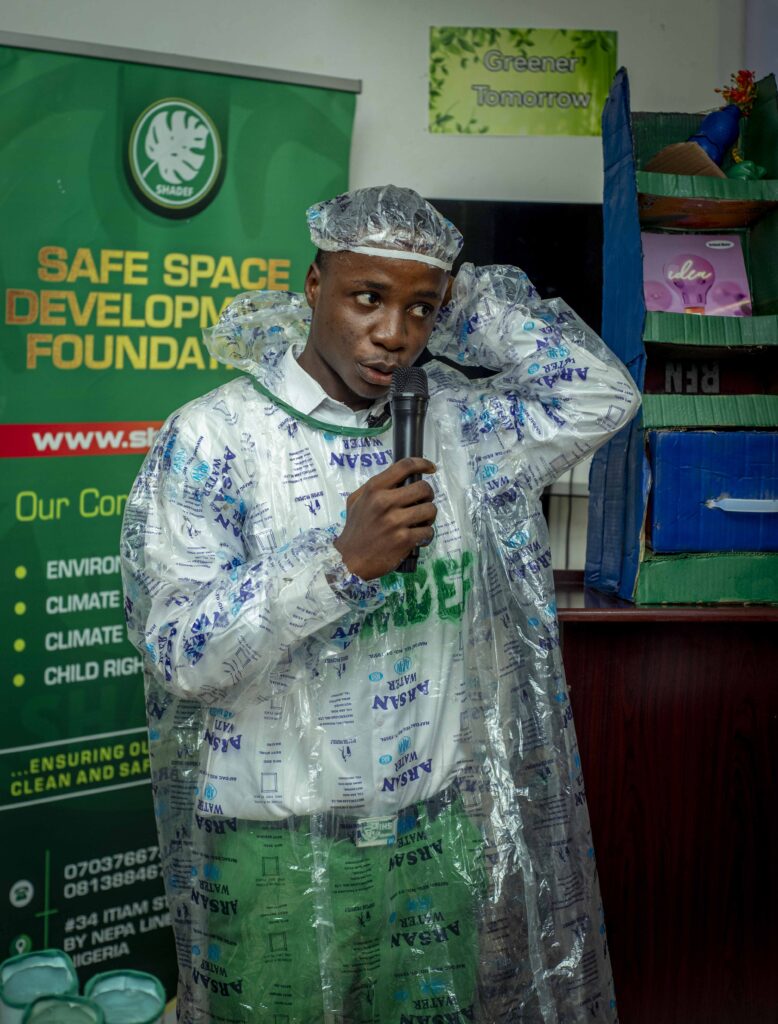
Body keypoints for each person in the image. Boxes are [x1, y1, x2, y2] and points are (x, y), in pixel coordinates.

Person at [121, 185, 639, 1024]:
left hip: (430, 839)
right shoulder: (216, 437)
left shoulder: (460, 426)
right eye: (367, 297)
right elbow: (181, 653)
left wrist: (460, 298)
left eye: (420, 310)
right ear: (314, 285)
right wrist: (338, 566)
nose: (394, 334)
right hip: (275, 850)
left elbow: (602, 395)